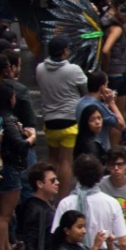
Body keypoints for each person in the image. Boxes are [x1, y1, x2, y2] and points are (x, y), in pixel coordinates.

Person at [35, 36, 88, 192]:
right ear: (65, 51)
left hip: (50, 122)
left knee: (53, 160)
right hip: (69, 122)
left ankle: (49, 193)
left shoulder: (39, 69)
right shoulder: (73, 70)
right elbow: (85, 89)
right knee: (66, 161)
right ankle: (62, 199)